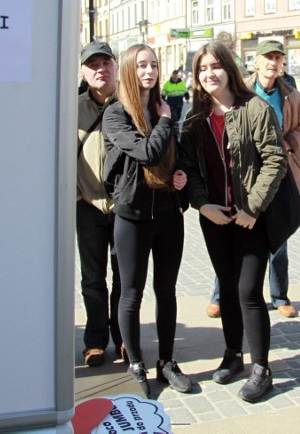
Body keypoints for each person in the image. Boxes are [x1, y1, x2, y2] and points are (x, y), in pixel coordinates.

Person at [180, 41, 287, 402]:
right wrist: (201, 204)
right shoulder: (195, 116)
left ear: (229, 68)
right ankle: (232, 355)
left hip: (251, 218)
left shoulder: (254, 108)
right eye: (202, 69)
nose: (209, 74)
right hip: (215, 218)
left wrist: (252, 208)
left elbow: (275, 160)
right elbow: (190, 168)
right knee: (227, 287)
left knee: (248, 292)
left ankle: (262, 369)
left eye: (215, 66)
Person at [205, 40, 300, 320]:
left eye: (278, 58)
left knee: (278, 238)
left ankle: (280, 296)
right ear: (255, 62)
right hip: (241, 177)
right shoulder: (240, 91)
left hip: (277, 175)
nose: (273, 63)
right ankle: (221, 295)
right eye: (267, 57)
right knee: (234, 240)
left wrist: (289, 141)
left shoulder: (290, 95)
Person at [102, 44, 193, 397]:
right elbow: (146, 152)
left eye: (153, 65)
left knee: (166, 291)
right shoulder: (116, 114)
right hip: (133, 217)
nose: (149, 72)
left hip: (169, 214)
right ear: (129, 69)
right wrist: (167, 120)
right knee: (131, 294)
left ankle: (166, 362)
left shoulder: (160, 108)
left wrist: (181, 173)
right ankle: (136, 363)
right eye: (141, 65)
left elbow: (176, 155)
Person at [76, 41, 123, 367]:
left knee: (124, 278)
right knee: (93, 279)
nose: (100, 69)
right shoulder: (71, 108)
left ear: (116, 67)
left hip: (124, 208)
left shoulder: (131, 102)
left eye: (105, 63)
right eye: (92, 64)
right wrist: (74, 192)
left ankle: (122, 337)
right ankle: (95, 340)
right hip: (88, 205)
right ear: (83, 71)